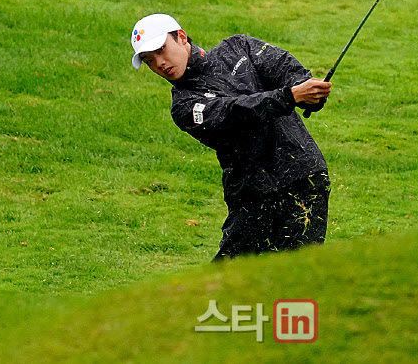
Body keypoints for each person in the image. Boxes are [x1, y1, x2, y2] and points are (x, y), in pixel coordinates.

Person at [130, 13, 332, 261]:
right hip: (254, 199)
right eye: (149, 60)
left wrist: (309, 90)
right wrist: (290, 97)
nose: (159, 63)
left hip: (304, 179)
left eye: (161, 50)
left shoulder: (238, 47)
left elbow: (283, 67)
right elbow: (236, 112)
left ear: (181, 37)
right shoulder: (185, 106)